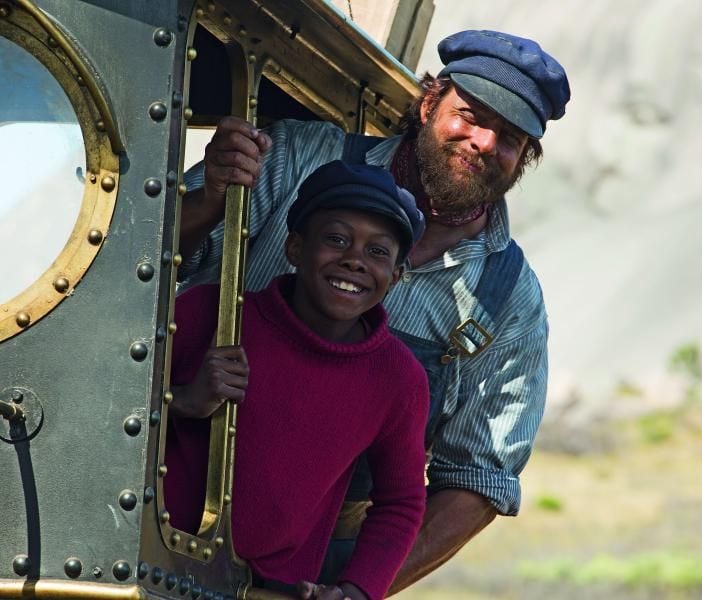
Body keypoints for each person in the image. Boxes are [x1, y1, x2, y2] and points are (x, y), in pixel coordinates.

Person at [178, 30, 570, 594]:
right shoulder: (295, 160)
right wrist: (210, 197)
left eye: (509, 136)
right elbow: (154, 267)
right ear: (429, 102)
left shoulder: (509, 300)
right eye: (470, 114)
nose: (483, 140)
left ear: (525, 158)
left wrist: (359, 587)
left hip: (319, 558)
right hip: (173, 499)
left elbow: (479, 477)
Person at [165, 160, 429, 600]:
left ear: (397, 276)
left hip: (272, 591)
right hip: (155, 559)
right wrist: (185, 401)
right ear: (294, 248)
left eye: (378, 252)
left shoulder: (399, 379)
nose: (354, 260)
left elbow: (401, 502)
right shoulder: (210, 312)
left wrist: (358, 589)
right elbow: (110, 404)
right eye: (336, 239)